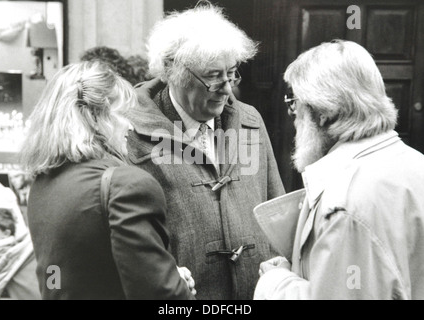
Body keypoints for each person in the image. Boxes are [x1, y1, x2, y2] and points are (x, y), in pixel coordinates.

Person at [127, 2, 285, 299]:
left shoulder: (250, 120)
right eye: (213, 77)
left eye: (233, 73)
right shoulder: (132, 132)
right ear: (172, 70)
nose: (226, 89)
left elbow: (275, 208)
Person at [254, 40, 424, 300]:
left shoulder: (346, 203)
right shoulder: (415, 163)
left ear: (322, 113)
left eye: (294, 101)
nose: (292, 112)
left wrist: (275, 282)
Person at [20, 61, 195, 300]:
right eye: (123, 114)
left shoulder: (42, 185)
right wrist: (180, 286)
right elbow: (158, 295)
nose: (131, 126)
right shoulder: (126, 185)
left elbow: (54, 275)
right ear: (95, 117)